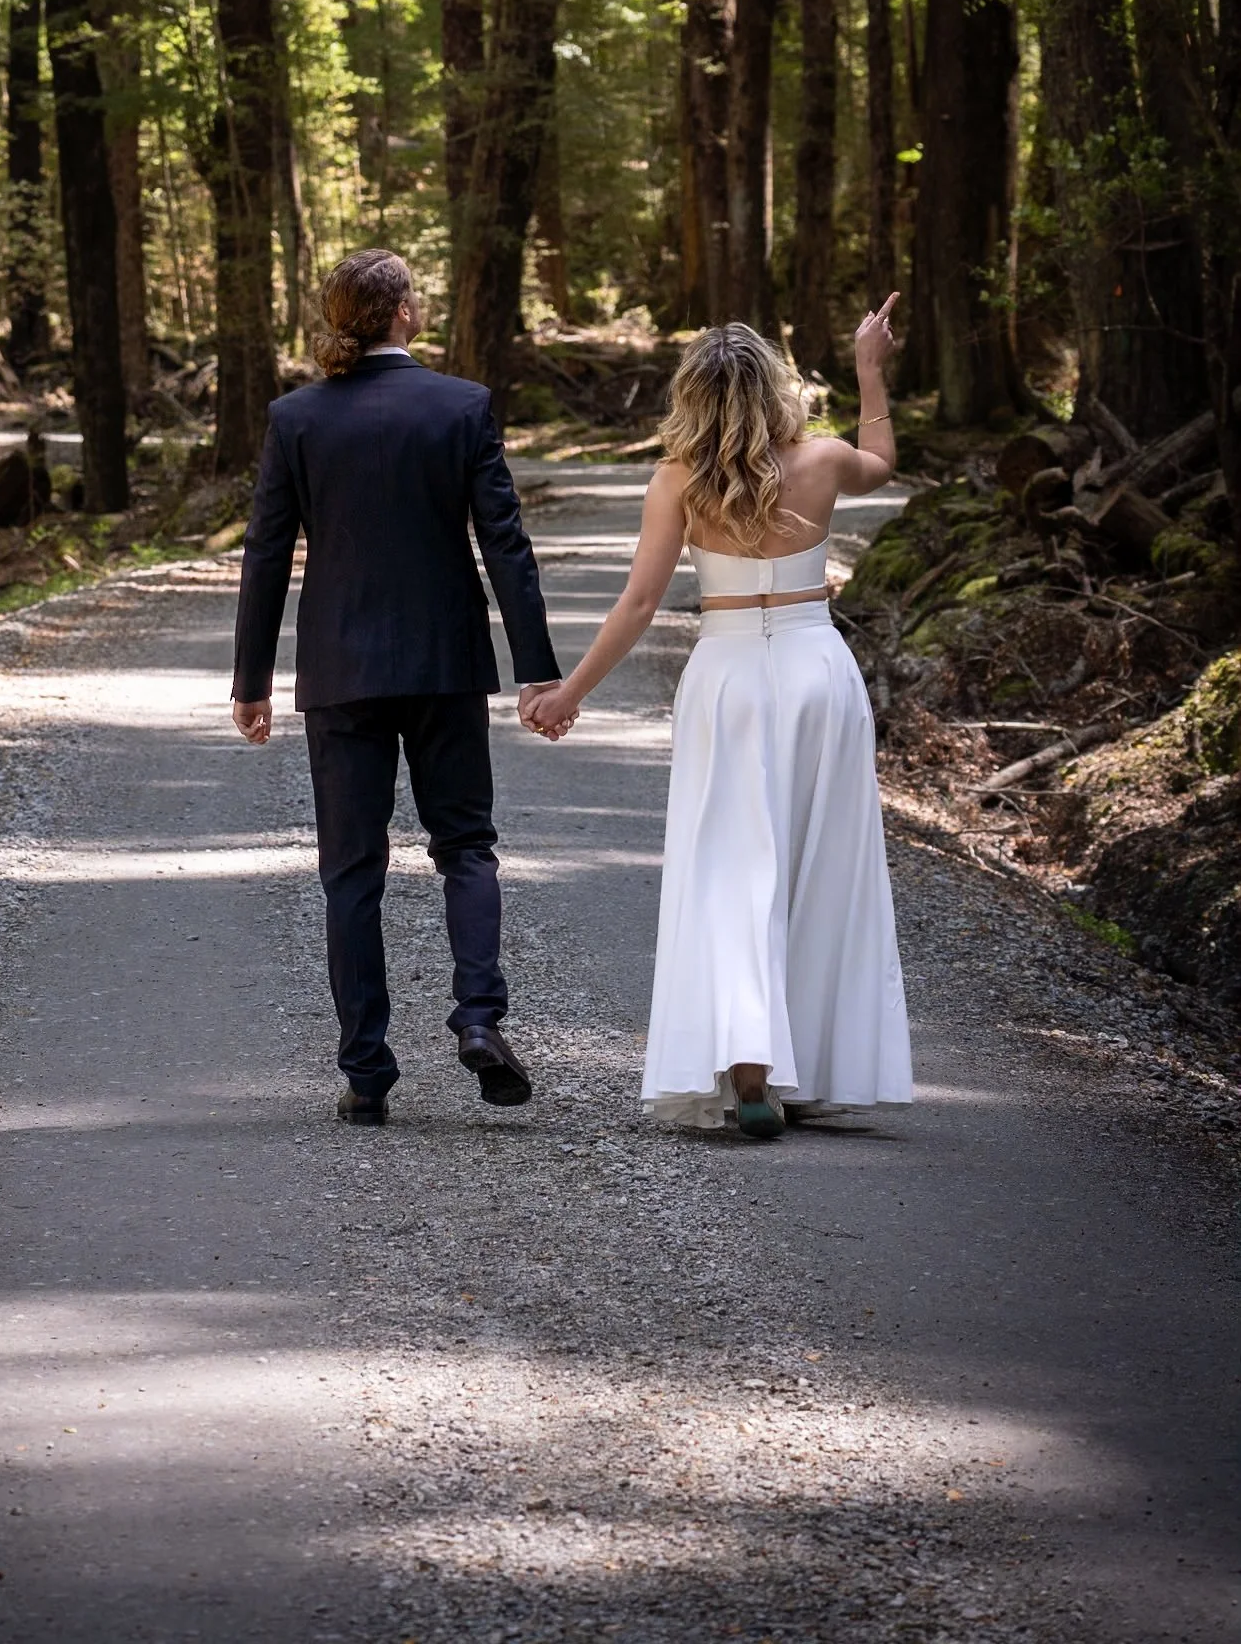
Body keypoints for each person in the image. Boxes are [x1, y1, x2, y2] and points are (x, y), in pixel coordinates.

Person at [521, 303, 913, 1141]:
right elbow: (883, 461)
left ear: (692, 397)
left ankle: (749, 1070)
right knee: (820, 866)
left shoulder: (676, 479)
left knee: (732, 871)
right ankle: (813, 1060)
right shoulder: (821, 459)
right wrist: (869, 370)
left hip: (728, 678)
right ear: (776, 388)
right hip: (817, 669)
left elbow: (639, 602)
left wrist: (571, 693)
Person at [232, 250, 561, 1126]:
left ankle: (367, 1073)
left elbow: (266, 551)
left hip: (339, 673)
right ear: (403, 313)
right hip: (445, 663)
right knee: (465, 847)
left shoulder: (295, 418)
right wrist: (536, 665)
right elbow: (505, 544)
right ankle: (479, 1019)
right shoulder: (460, 406)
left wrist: (251, 680)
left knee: (351, 873)